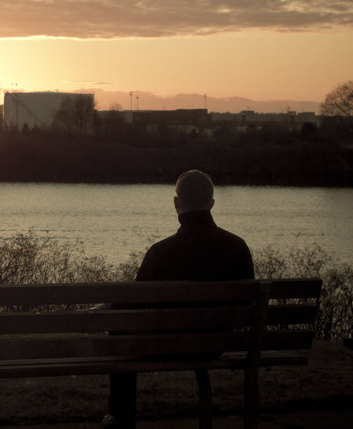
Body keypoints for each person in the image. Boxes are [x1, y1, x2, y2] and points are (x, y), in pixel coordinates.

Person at [103, 170, 254, 429]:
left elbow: (133, 306)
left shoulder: (161, 252)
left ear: (176, 203)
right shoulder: (237, 247)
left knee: (120, 330)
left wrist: (106, 309)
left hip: (166, 345)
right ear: (212, 204)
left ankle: (120, 416)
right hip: (215, 344)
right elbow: (247, 306)